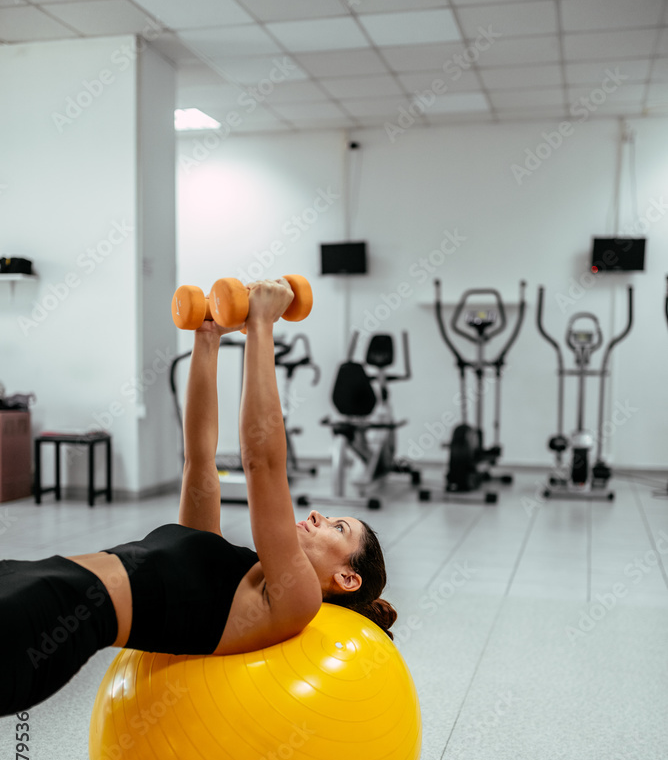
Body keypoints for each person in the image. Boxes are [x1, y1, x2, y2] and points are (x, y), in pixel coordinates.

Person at [1, 278, 396, 718]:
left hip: (44, 619)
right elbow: (199, 459)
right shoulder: (222, 561)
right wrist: (206, 338)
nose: (320, 515)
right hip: (31, 579)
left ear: (346, 579)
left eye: (339, 528)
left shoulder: (295, 601)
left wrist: (262, 326)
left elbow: (262, 464)